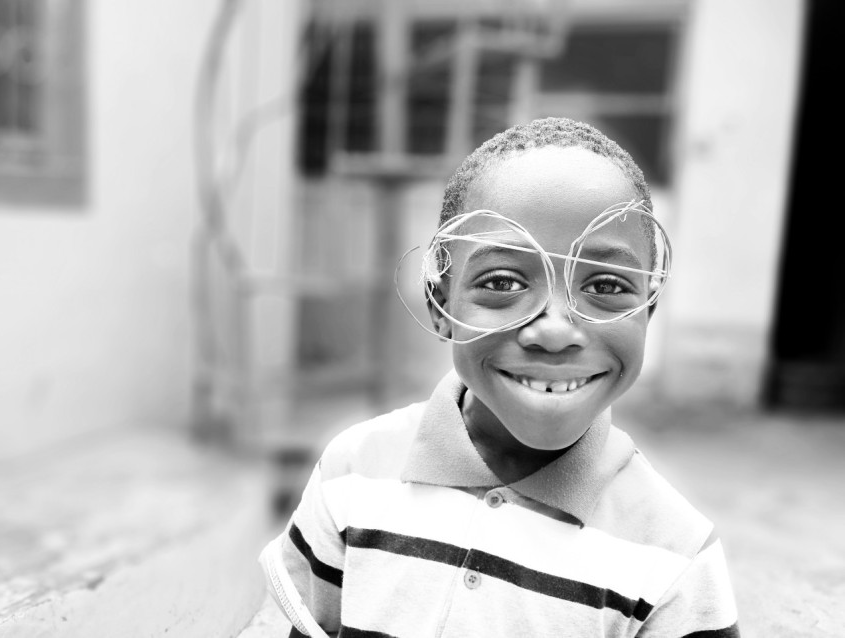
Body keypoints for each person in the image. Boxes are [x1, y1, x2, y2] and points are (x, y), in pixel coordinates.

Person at [259, 117, 741, 637]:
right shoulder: (352, 475)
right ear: (441, 304)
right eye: (503, 281)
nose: (555, 332)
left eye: (605, 285)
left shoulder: (674, 556)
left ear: (649, 308)